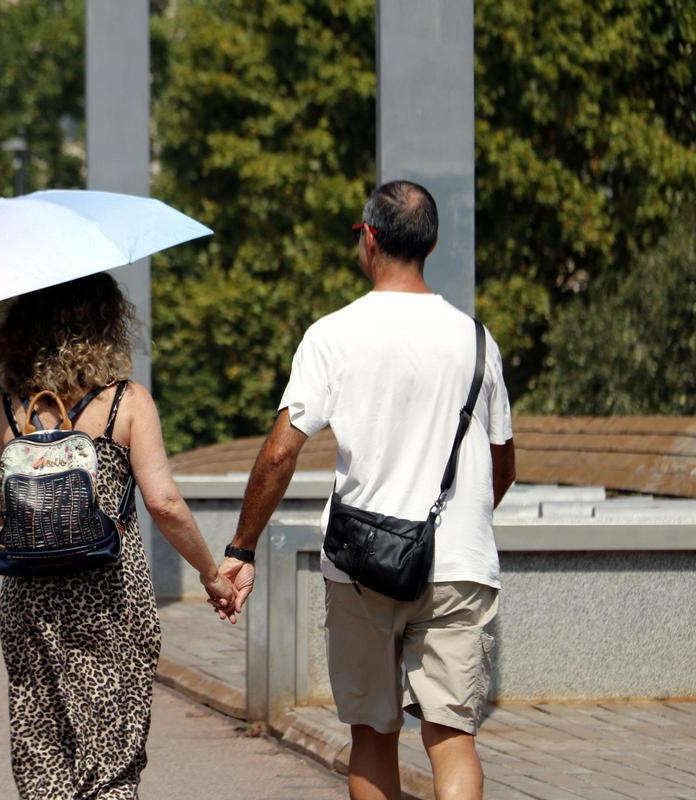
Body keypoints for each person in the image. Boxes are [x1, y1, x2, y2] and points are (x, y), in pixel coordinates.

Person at [217, 181, 516, 800]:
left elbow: (280, 451)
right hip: (458, 564)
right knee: (453, 738)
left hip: (361, 566)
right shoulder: (478, 342)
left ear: (370, 239)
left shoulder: (333, 334)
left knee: (373, 736)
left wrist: (242, 548)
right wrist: (455, 525)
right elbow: (502, 465)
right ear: (429, 244)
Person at [0, 273, 237, 798]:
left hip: (31, 601)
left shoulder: (8, 407)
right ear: (104, 323)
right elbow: (164, 503)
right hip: (111, 599)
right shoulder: (126, 402)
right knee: (110, 761)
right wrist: (212, 573)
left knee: (42, 753)